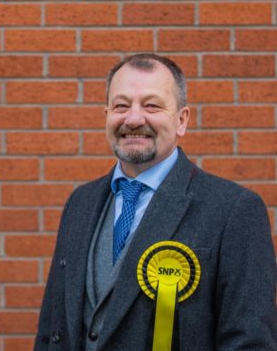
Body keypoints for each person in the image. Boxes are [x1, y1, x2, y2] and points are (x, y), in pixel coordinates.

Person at [34, 53, 277, 350]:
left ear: (181, 120)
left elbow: (249, 342)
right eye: (121, 106)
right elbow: (51, 330)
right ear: (107, 115)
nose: (134, 119)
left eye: (152, 105)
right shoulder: (80, 203)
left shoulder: (235, 211)